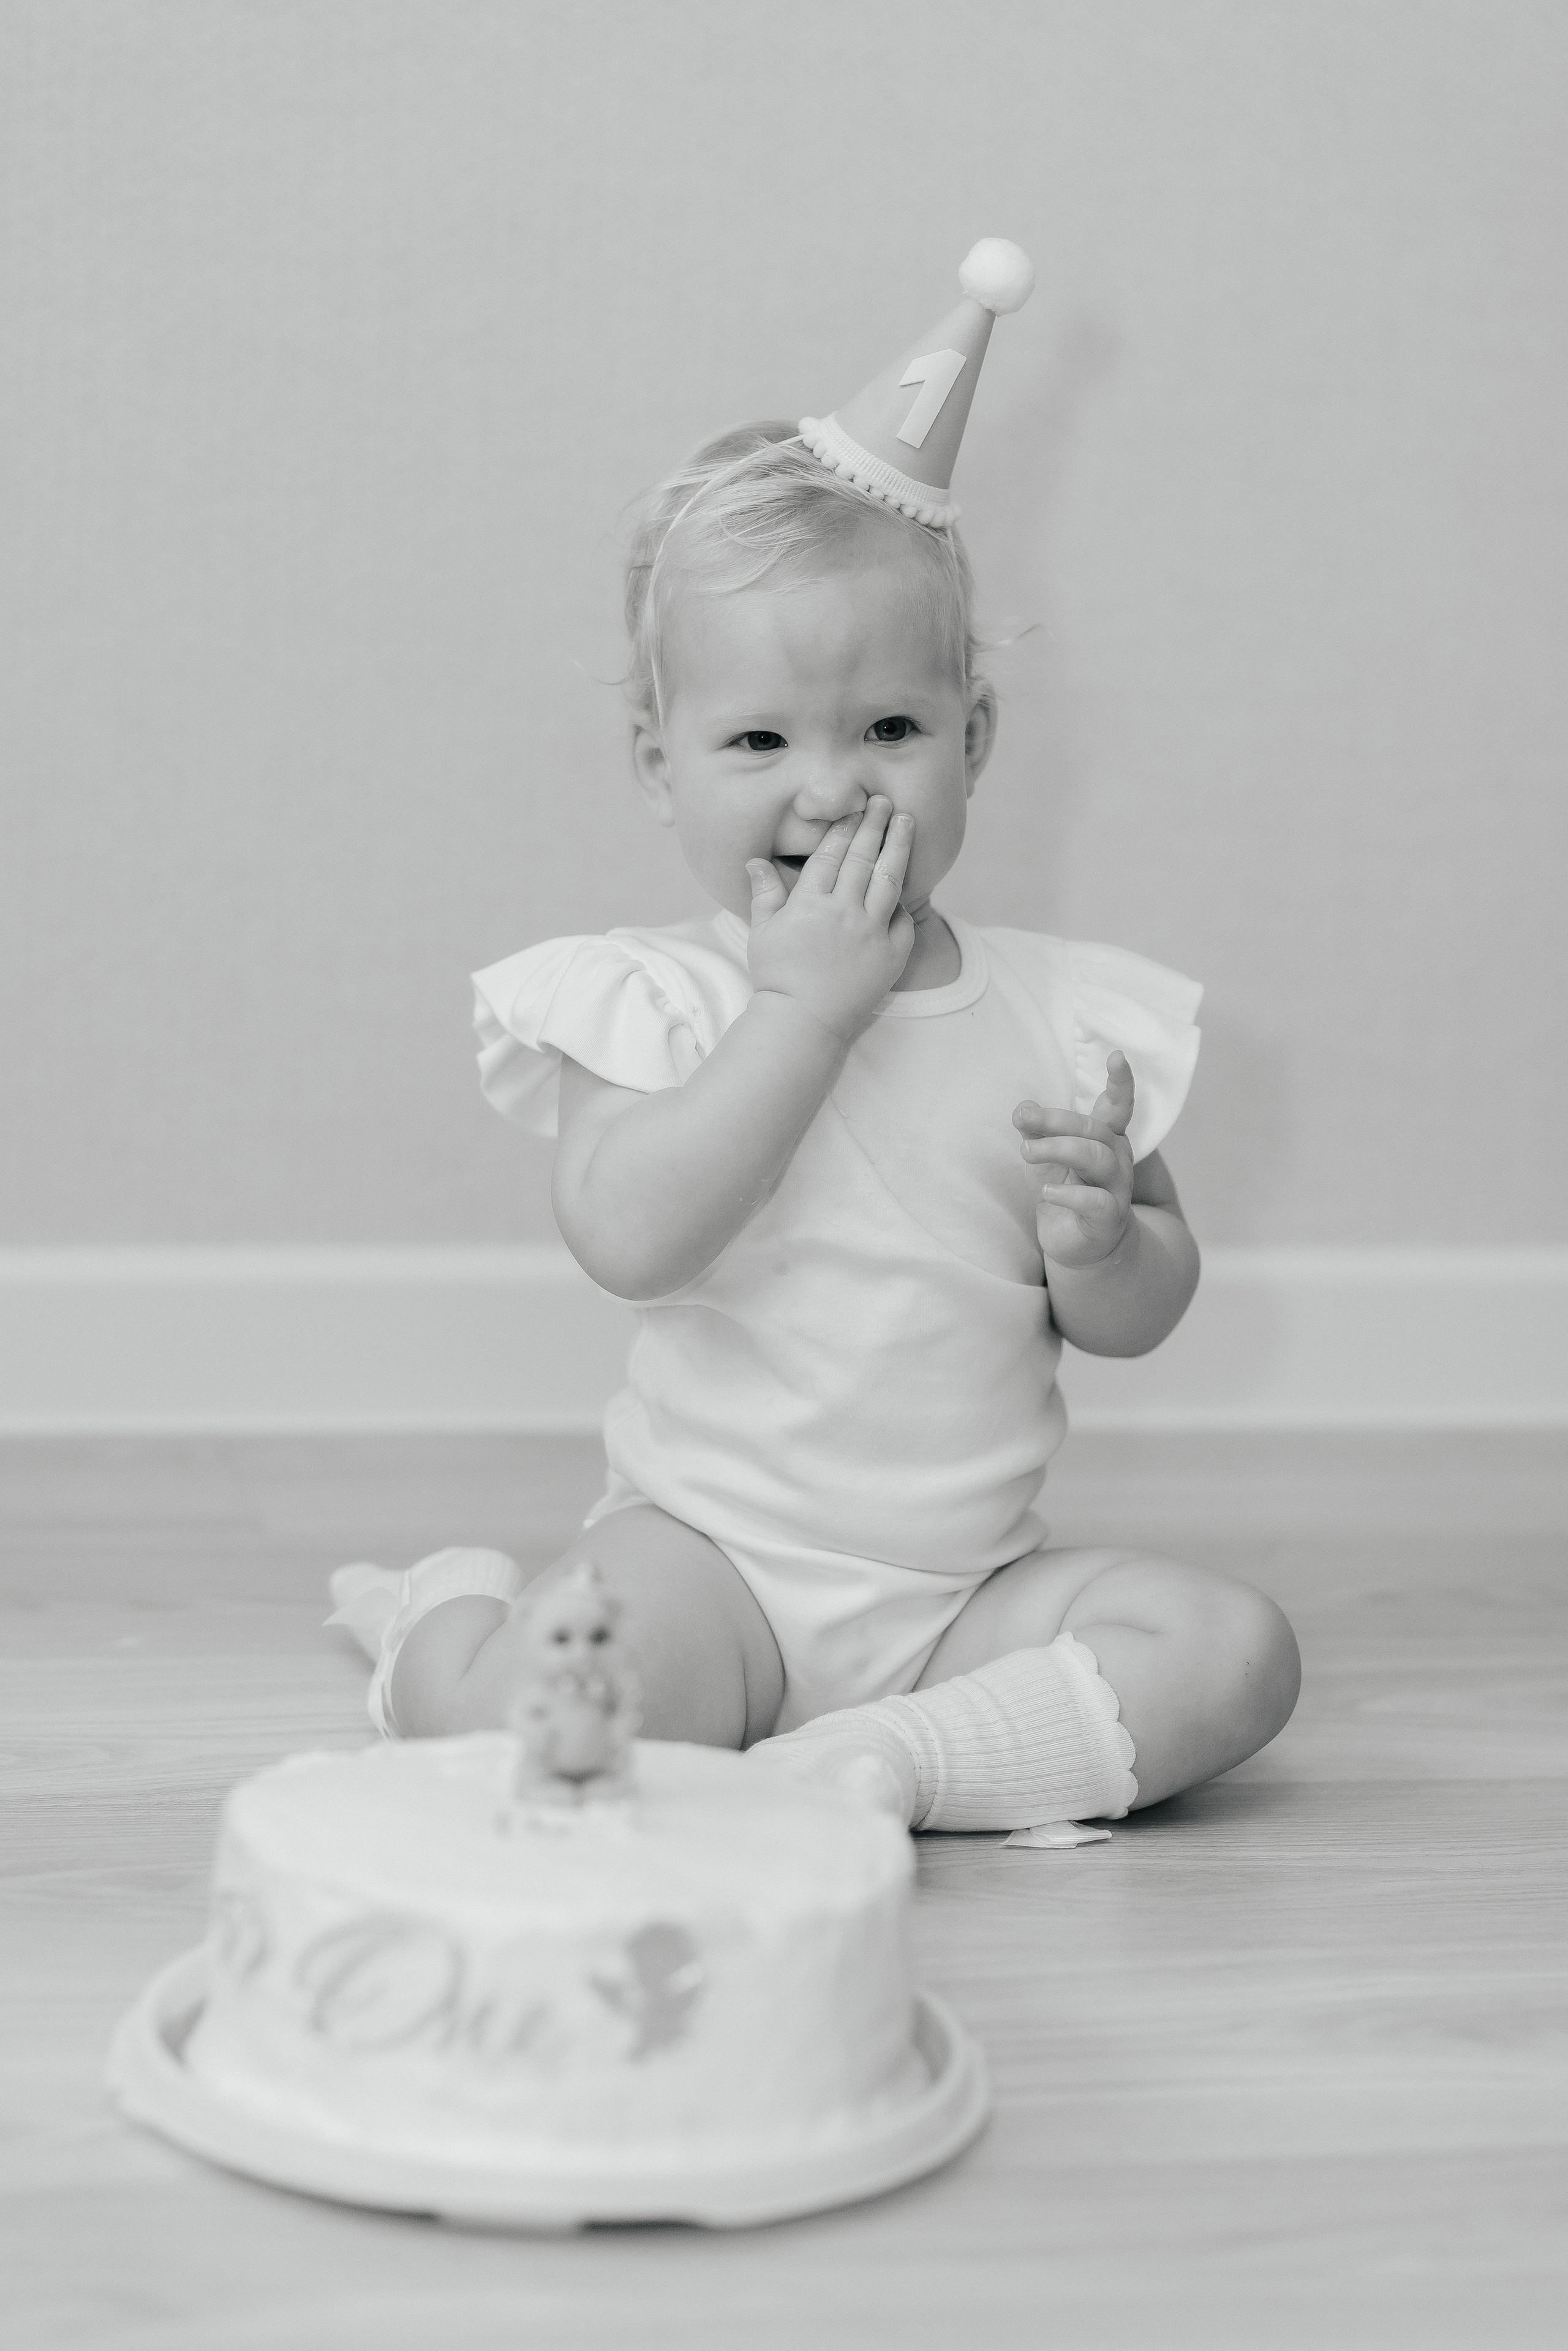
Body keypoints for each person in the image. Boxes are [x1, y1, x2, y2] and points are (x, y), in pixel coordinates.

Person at [332, 244, 1300, 1836]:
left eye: (893, 732)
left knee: (1233, 1653)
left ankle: (890, 1763)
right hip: (707, 1564)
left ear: (973, 741)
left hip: (962, 1597)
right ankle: (436, 1629)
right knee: (533, 1732)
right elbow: (628, 1239)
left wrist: (1105, 1237)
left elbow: (1142, 1315)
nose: (834, 786)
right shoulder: (652, 1001)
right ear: (661, 765)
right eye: (761, 740)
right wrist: (801, 1009)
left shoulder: (1063, 1014)